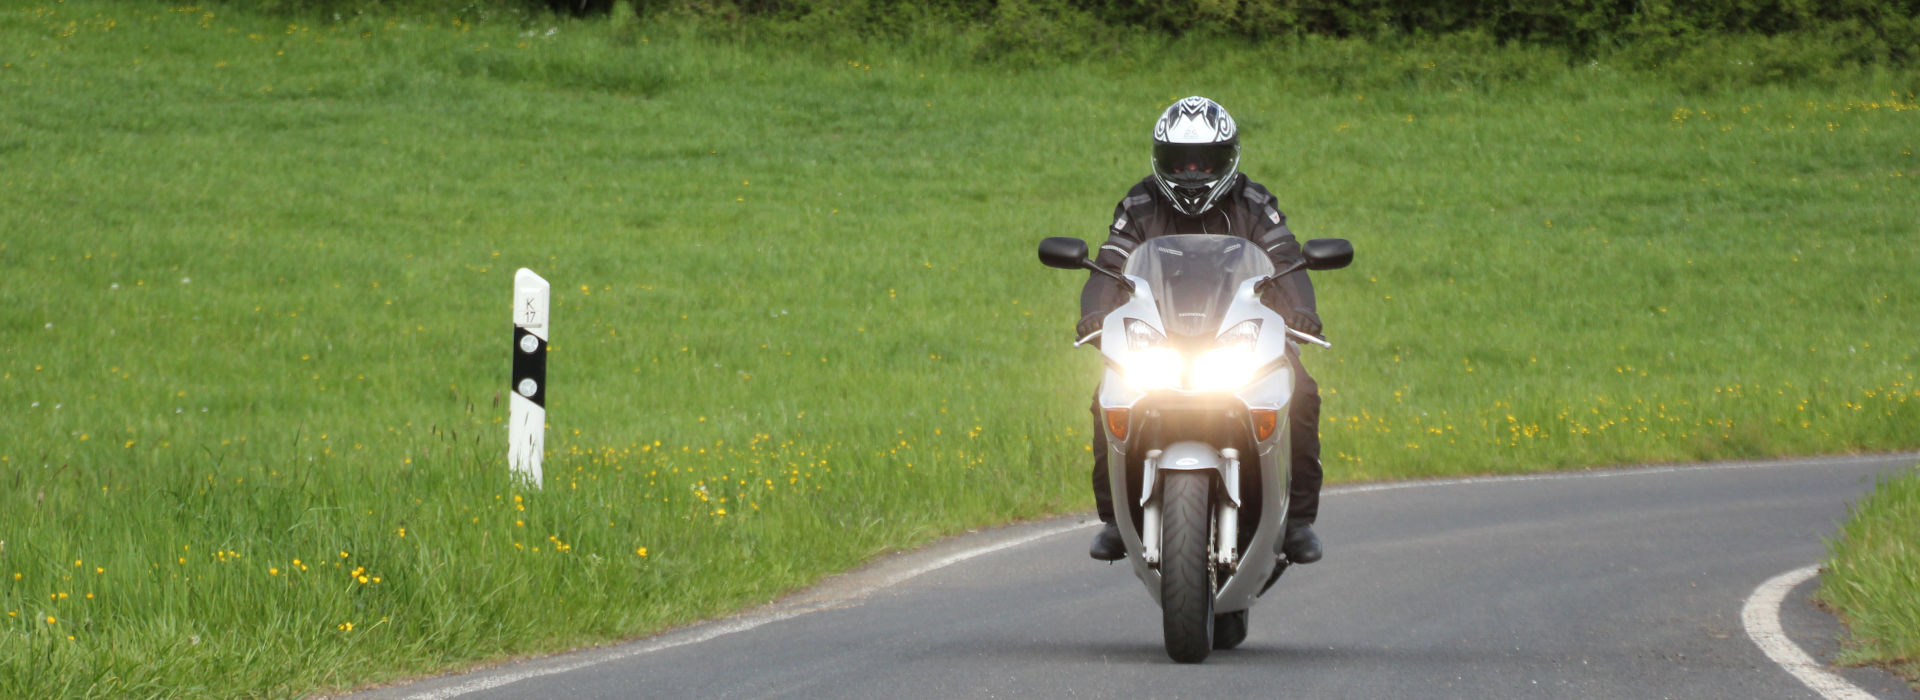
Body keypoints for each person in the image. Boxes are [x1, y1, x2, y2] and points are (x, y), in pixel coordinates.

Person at [1079, 96, 1324, 565]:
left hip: (1242, 334)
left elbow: (1287, 260)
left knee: (1304, 392)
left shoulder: (1254, 202)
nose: (1192, 172)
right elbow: (1108, 267)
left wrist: (1302, 310)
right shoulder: (1139, 202)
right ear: (1160, 158)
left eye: (1204, 160)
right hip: (1160, 337)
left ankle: (1297, 522)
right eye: (1181, 161)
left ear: (1227, 158)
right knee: (1106, 396)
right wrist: (1094, 313)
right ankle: (1114, 519)